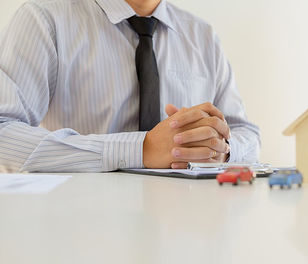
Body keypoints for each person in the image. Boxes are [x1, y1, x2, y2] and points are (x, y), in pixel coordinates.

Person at [0, 0, 260, 172]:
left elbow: (245, 134)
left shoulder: (202, 36)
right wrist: (141, 149)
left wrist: (221, 150)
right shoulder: (44, 19)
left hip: (183, 232)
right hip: (80, 232)